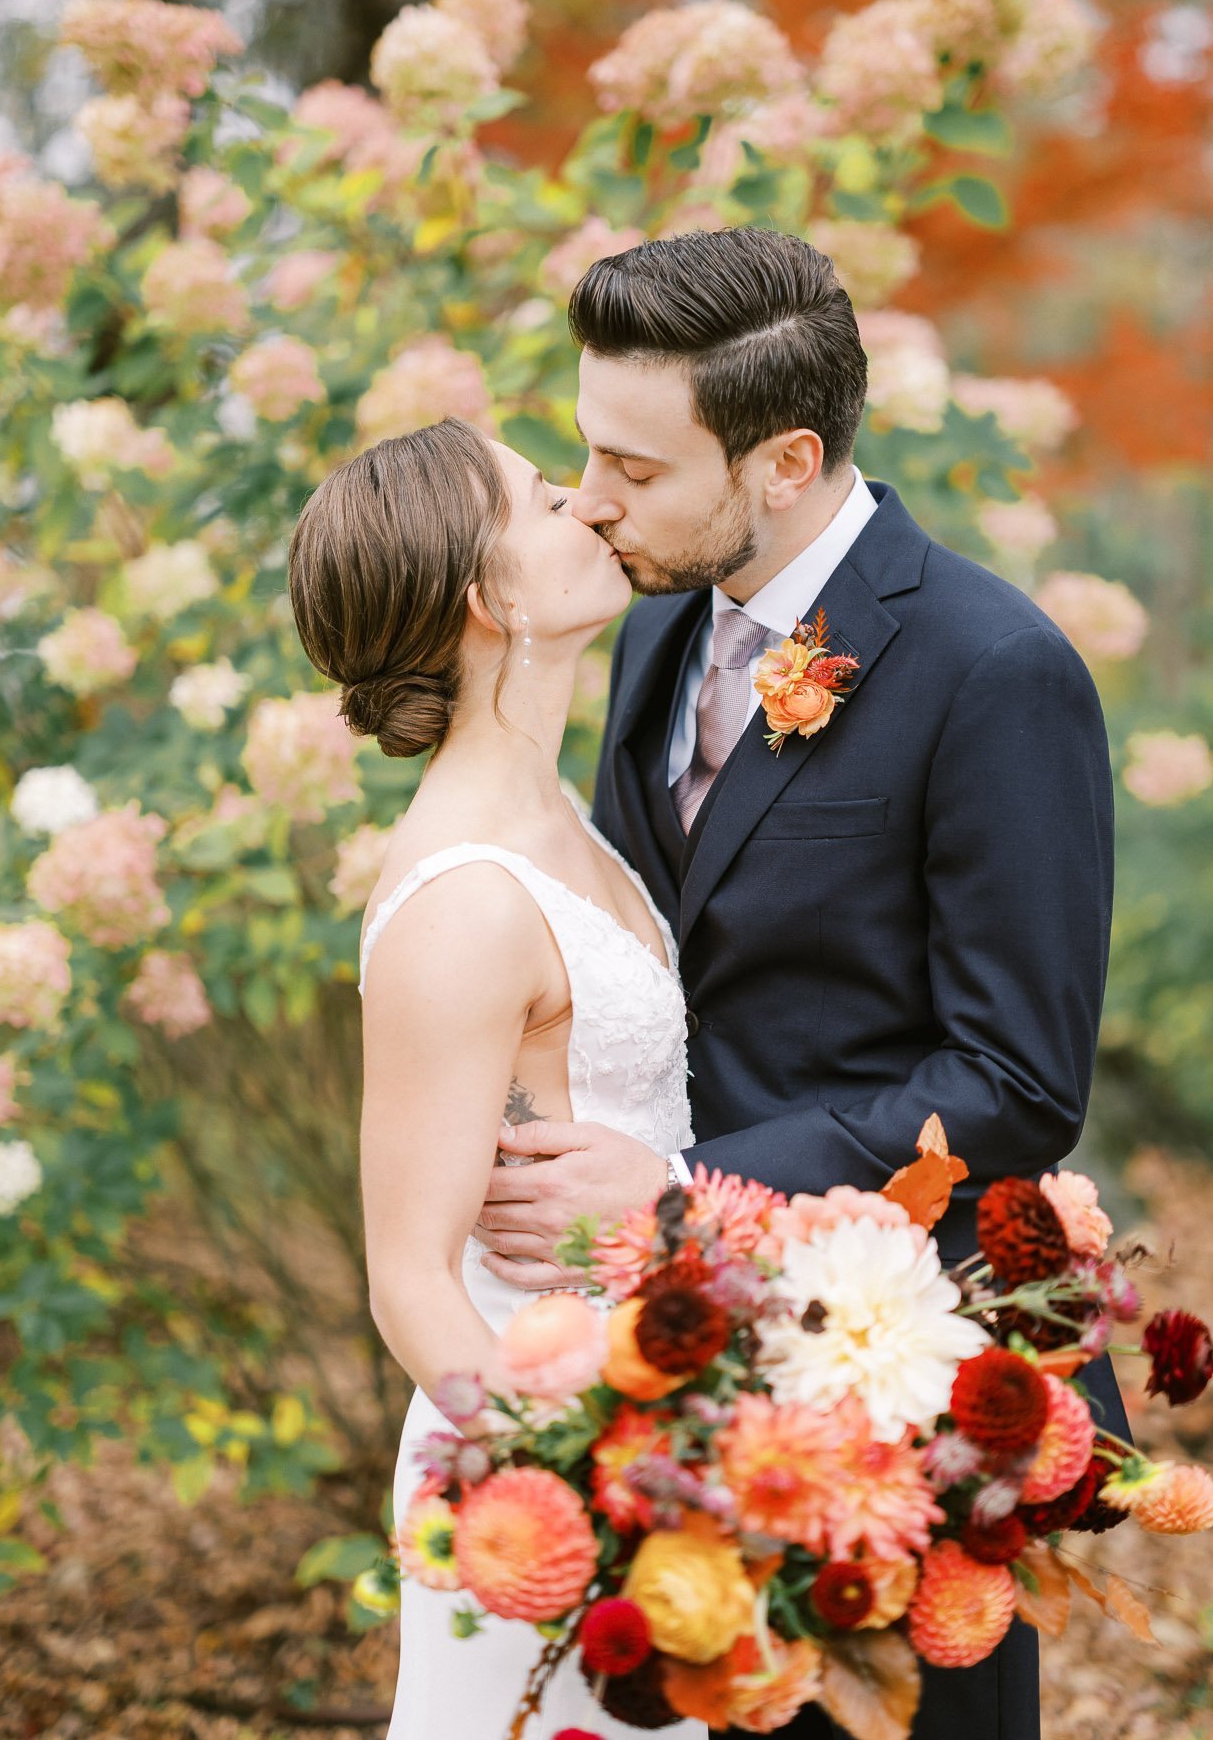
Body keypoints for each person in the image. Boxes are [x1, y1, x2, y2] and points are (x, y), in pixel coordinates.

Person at [471, 225, 1131, 1740]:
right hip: (660, 1363)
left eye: (636, 468)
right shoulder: (651, 633)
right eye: (586, 450)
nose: (589, 498)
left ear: (784, 461)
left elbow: (1017, 1081)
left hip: (892, 1370)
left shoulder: (993, 669)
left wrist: (683, 1195)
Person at [287, 417, 707, 1739]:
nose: (586, 502)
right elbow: (408, 1277)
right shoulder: (461, 898)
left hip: (652, 1415)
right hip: (539, 1460)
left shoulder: (559, 818)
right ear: (490, 594)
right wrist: (557, 1492)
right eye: (542, 495)